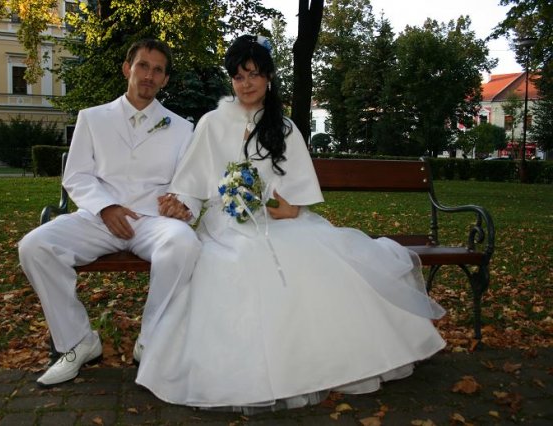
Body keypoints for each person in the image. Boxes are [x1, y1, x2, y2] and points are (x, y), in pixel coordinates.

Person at [136, 35, 446, 412]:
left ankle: (318, 362)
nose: (246, 84)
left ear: (268, 77)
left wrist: (291, 208)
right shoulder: (211, 123)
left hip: (274, 218)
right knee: (238, 261)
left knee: (307, 259)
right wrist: (181, 205)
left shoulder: (283, 128)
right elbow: (191, 187)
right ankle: (245, 372)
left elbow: (298, 190)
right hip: (224, 224)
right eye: (238, 77)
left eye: (254, 74)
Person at [18, 39, 200, 387]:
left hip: (152, 221)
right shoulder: (92, 118)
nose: (149, 75)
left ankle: (152, 341)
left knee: (184, 244)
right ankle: (78, 342)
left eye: (158, 70)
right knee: (34, 246)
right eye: (143, 65)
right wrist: (105, 207)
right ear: (127, 68)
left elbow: (190, 180)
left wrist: (182, 203)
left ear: (164, 80)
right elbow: (76, 176)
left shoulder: (181, 127)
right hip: (98, 218)